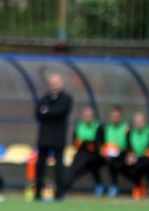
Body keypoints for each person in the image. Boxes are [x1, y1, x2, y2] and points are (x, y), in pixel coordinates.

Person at [33, 72, 72, 201]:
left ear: (62, 83)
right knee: (40, 166)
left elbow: (58, 112)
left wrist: (47, 112)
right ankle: (38, 193)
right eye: (52, 83)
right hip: (44, 138)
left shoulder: (66, 99)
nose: (54, 85)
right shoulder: (44, 99)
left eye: (57, 82)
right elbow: (38, 114)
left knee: (58, 167)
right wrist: (48, 113)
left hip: (58, 138)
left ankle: (59, 193)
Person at [62, 104, 104, 197]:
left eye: (90, 116)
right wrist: (85, 143)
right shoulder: (78, 126)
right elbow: (75, 142)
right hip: (81, 153)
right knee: (76, 166)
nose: (88, 118)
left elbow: (98, 144)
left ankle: (66, 184)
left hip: (95, 155)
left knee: (89, 164)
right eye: (86, 116)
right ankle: (65, 185)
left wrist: (87, 143)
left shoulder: (98, 127)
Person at [122, 111, 149, 199]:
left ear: (145, 122)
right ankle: (139, 185)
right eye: (136, 122)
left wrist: (137, 158)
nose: (138, 124)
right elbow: (128, 147)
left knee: (147, 163)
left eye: (141, 122)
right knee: (121, 164)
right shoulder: (130, 133)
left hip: (146, 158)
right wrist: (130, 156)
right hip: (134, 158)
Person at [100, 105, 128, 197]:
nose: (115, 118)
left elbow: (129, 143)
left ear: (121, 117)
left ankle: (140, 185)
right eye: (113, 116)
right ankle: (112, 185)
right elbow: (102, 144)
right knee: (110, 162)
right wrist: (104, 152)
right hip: (109, 155)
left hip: (124, 154)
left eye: (117, 116)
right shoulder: (106, 128)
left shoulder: (126, 128)